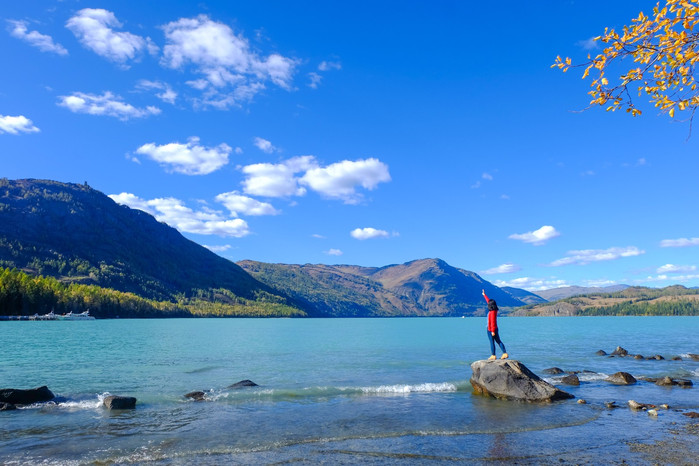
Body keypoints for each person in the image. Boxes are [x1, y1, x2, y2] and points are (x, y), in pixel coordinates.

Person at [482, 289, 508, 361]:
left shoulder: (492, 312)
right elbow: (488, 301)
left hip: (491, 329)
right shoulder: (494, 310)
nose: (488, 304)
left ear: (490, 305)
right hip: (494, 329)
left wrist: (492, 331)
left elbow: (493, 322)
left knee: (492, 342)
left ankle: (493, 355)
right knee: (498, 341)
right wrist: (484, 295)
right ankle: (504, 353)